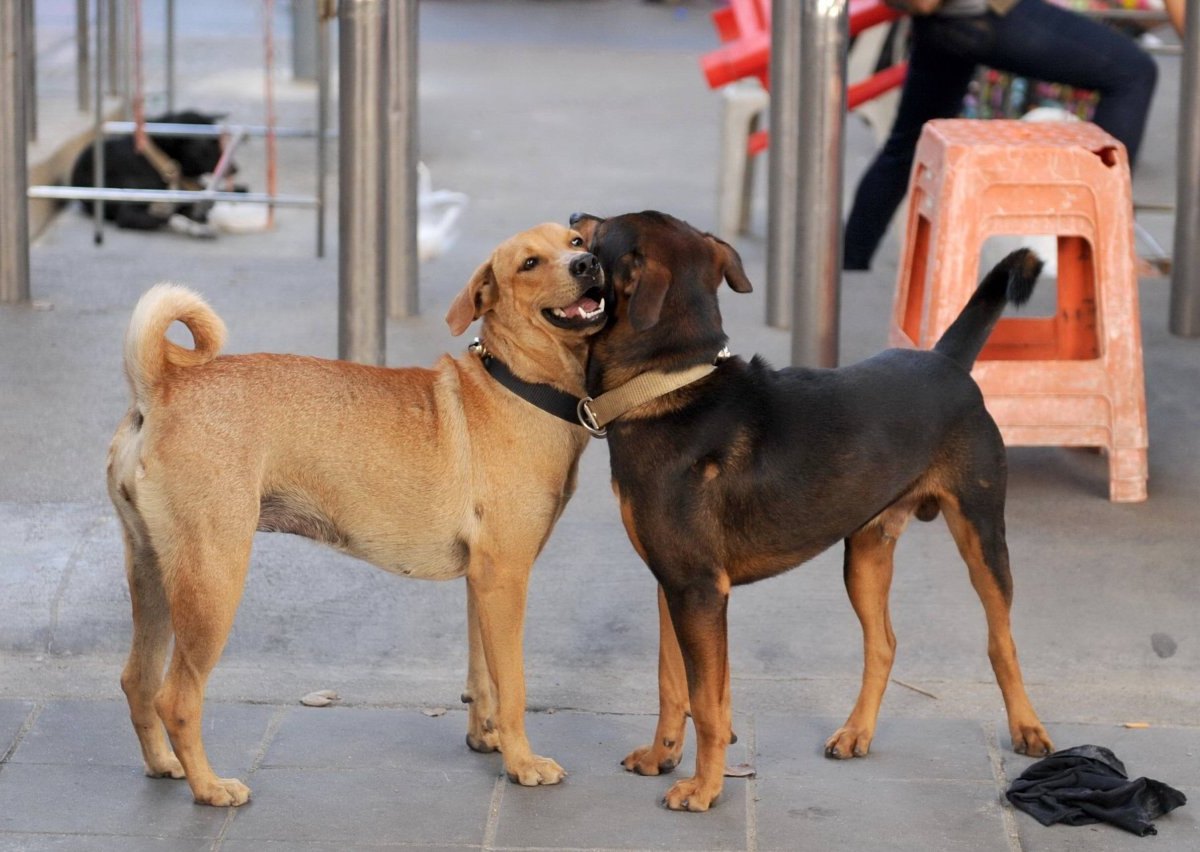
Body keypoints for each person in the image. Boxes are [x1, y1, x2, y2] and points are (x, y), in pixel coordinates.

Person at [843, 0, 1159, 270]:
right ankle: (1098, 250)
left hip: (946, 20)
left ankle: (848, 267)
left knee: (907, 147)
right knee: (1132, 73)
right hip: (978, 13)